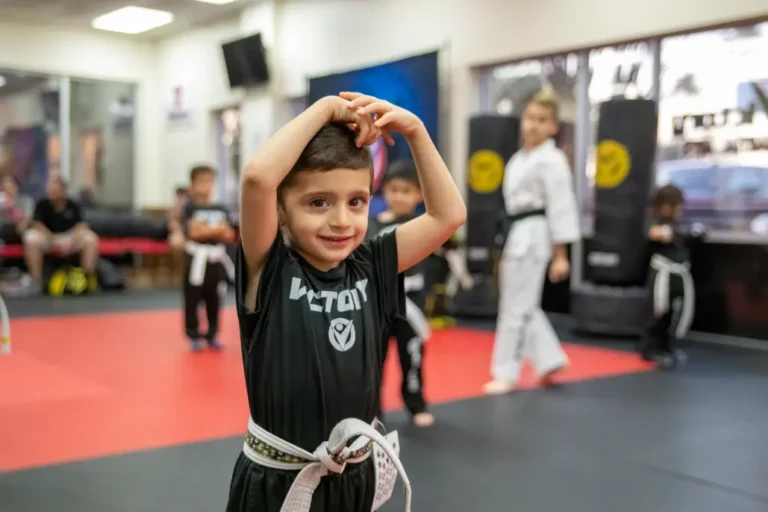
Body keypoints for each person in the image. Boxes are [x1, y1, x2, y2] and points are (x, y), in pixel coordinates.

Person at [228, 92, 466, 512]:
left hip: (354, 476)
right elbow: (258, 179)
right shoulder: (270, 267)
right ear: (281, 210)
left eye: (356, 201)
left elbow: (446, 216)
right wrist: (324, 108)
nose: (341, 220)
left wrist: (415, 131)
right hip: (279, 482)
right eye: (318, 202)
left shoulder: (372, 262)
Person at [484, 88, 580, 395]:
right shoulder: (517, 159)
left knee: (515, 308)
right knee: (521, 305)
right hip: (516, 233)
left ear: (554, 127)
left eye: (542, 120)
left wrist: (561, 254)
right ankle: (550, 359)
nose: (534, 125)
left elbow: (561, 206)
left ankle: (506, 372)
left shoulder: (552, 160)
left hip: (537, 235)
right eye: (530, 118)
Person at [368, 160, 435, 428]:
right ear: (384, 192)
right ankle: (373, 411)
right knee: (373, 360)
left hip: (410, 301)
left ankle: (416, 404)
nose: (399, 196)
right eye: (394, 190)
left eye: (406, 191)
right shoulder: (371, 225)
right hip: (379, 301)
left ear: (418, 195)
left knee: (413, 356)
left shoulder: (423, 224)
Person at [638, 184, 703, 370]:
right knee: (657, 312)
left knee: (673, 314)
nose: (675, 210)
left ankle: (666, 346)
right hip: (661, 274)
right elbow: (655, 234)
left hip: (678, 275)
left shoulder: (680, 224)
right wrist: (674, 233)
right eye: (671, 205)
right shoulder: (654, 221)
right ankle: (650, 348)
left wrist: (688, 233)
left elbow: (691, 233)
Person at [181, 165, 235, 351]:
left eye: (209, 181)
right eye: (201, 181)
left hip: (215, 258)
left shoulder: (220, 207)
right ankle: (193, 333)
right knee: (193, 298)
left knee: (215, 298)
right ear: (193, 184)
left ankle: (212, 334)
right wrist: (216, 230)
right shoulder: (190, 207)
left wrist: (207, 229)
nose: (206, 186)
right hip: (196, 257)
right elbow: (193, 233)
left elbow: (229, 234)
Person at [22, 175, 100, 293]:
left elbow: (81, 226)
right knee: (31, 238)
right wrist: (53, 239)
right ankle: (36, 281)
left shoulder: (73, 205)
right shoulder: (42, 204)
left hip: (69, 239)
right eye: (49, 188)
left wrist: (70, 239)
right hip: (48, 238)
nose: (51, 191)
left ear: (63, 190)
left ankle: (87, 279)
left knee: (90, 238)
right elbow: (37, 225)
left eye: (54, 189)